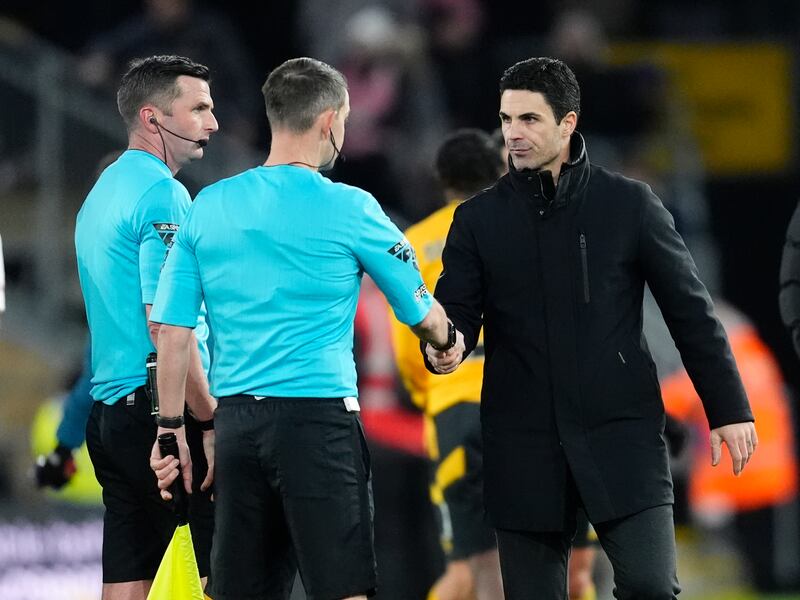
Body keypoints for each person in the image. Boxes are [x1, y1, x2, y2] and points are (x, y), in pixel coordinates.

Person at [423, 57, 757, 600]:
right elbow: (455, 315)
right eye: (507, 120)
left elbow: (691, 312)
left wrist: (730, 408)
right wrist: (445, 349)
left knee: (650, 588)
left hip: (622, 435)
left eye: (530, 119)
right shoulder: (478, 220)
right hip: (522, 442)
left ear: (568, 122)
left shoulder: (629, 205)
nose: (514, 134)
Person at [148, 57, 458, 600]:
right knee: (343, 590)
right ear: (331, 121)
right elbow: (419, 309)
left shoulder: (209, 204)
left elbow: (172, 331)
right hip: (319, 423)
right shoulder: (351, 206)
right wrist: (448, 343)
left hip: (238, 424)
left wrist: (174, 427)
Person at [74, 54, 218, 600]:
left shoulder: (100, 193)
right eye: (199, 108)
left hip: (109, 416)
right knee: (206, 575)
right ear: (153, 117)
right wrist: (204, 420)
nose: (213, 123)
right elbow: (168, 325)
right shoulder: (163, 194)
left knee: (128, 576)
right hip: (159, 414)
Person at [390, 128, 504, 600]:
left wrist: (430, 392)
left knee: (466, 568)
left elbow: (408, 340)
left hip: (453, 410)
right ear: (497, 171)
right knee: (541, 557)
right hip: (522, 407)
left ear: (442, 181)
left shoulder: (414, 242)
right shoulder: (518, 226)